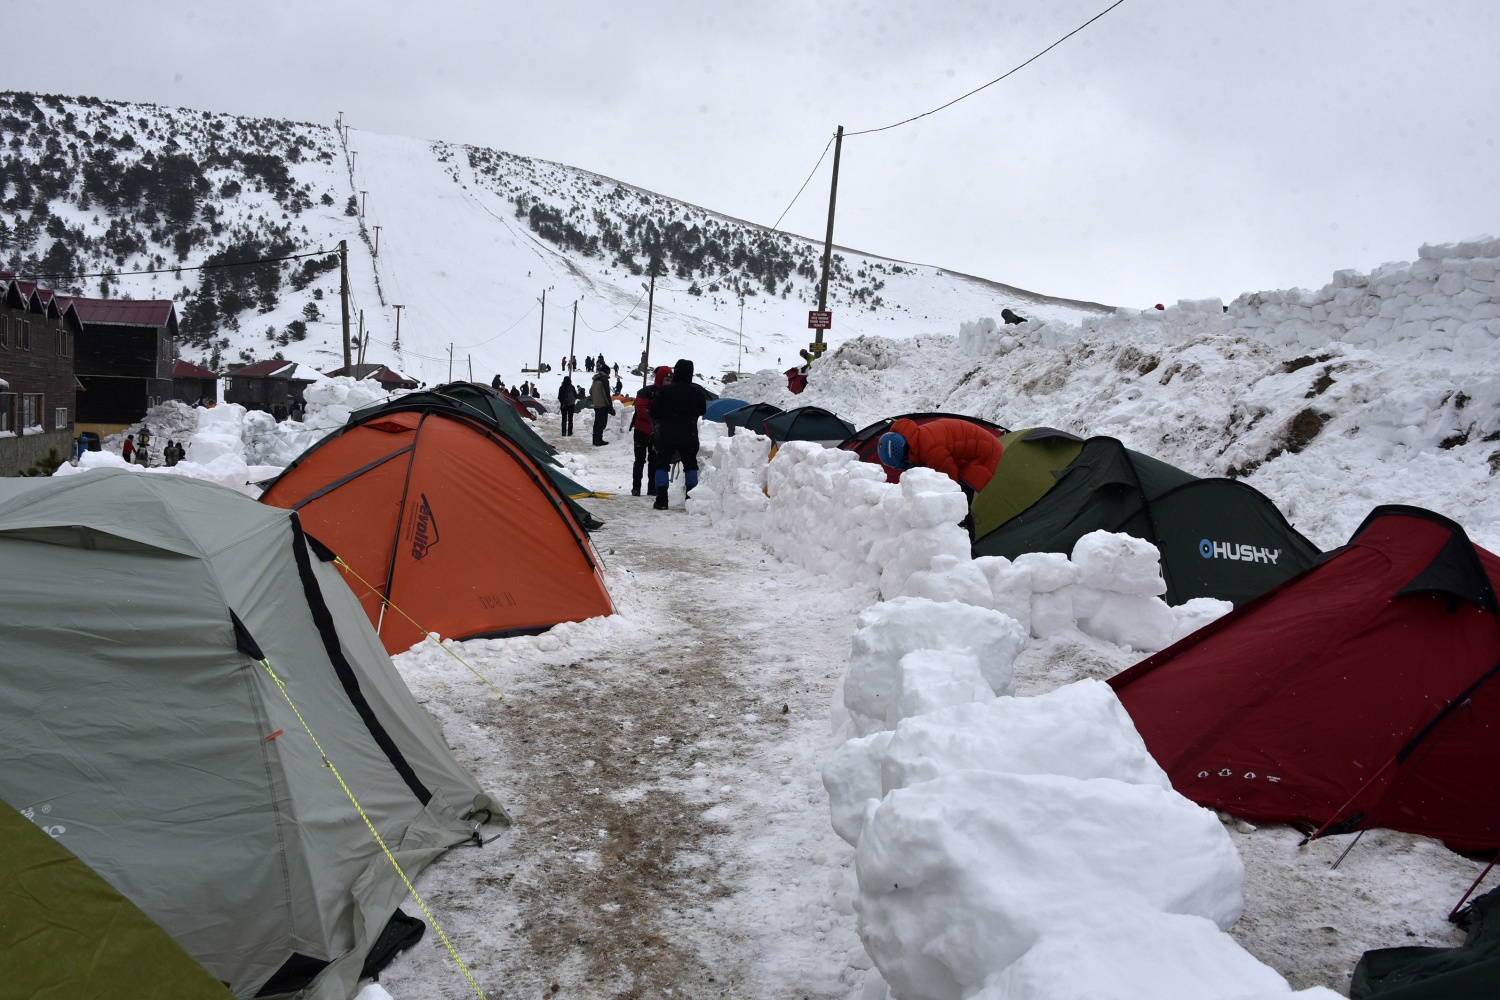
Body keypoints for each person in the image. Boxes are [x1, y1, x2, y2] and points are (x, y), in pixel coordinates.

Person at [877, 417, 1004, 497]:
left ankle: (964, 535)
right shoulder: (916, 439)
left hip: (986, 451)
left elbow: (950, 484)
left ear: (904, 454)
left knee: (960, 498)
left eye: (904, 463)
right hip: (976, 445)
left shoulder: (931, 450)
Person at [648, 358, 706, 510]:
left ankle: (661, 499)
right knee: (690, 464)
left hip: (667, 433)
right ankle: (690, 498)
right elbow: (703, 410)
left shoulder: (666, 391)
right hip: (689, 433)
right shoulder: (697, 390)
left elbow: (653, 411)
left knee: (662, 464)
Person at [631, 366, 671, 496]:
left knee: (654, 461)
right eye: (666, 379)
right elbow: (640, 408)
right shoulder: (646, 392)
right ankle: (636, 487)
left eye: (670, 380)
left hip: (656, 434)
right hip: (642, 431)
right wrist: (654, 417)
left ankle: (652, 488)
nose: (668, 383)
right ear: (660, 379)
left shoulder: (669, 394)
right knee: (640, 460)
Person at [589, 368, 613, 445]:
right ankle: (598, 440)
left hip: (596, 404)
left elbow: (590, 391)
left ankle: (595, 439)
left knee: (597, 422)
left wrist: (594, 399)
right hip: (603, 405)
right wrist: (610, 406)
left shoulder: (595, 380)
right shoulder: (604, 380)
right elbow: (606, 394)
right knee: (601, 423)